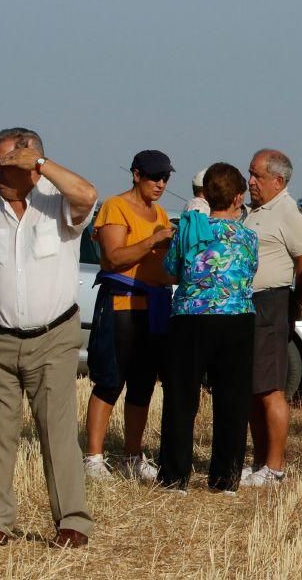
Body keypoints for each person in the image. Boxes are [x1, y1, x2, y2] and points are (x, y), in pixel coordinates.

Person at [0, 127, 97, 547]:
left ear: (31, 160)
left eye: (5, 161)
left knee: (58, 432)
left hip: (53, 338)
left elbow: (88, 193)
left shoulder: (59, 204)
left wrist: (39, 164)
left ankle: (71, 522)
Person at [157, 163, 258, 493]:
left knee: (181, 398)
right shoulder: (248, 237)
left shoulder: (188, 230)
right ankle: (225, 478)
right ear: (237, 197)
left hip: (190, 317)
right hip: (236, 319)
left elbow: (171, 270)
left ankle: (174, 476)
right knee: (232, 399)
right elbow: (250, 272)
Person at [84, 150, 175, 482]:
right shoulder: (115, 206)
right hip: (121, 303)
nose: (161, 183)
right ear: (136, 175)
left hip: (154, 305)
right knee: (110, 381)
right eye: (154, 177)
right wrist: (153, 239)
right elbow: (113, 258)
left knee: (142, 385)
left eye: (166, 177)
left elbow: (163, 266)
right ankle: (93, 458)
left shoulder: (162, 213)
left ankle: (131, 456)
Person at [241, 149, 302, 486]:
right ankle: (259, 462)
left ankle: (275, 465)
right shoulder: (256, 211)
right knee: (253, 388)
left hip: (271, 302)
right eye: (250, 174)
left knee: (270, 388)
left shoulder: (288, 212)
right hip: (249, 304)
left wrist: (293, 302)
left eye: (257, 175)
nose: (250, 181)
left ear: (278, 180)